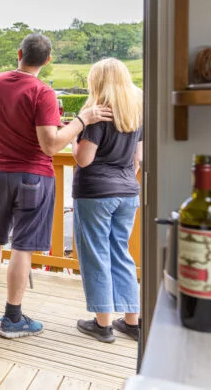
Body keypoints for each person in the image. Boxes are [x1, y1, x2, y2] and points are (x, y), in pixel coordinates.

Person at [0, 32, 113, 339]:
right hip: (32, 177)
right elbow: (50, 145)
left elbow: (7, 120)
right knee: (23, 246)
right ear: (48, 60)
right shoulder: (42, 92)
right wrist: (82, 120)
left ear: (19, 53)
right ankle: (12, 318)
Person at [71, 58, 143, 343]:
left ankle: (102, 324)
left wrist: (73, 139)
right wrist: (122, 179)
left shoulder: (97, 114)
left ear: (97, 81)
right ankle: (132, 322)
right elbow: (138, 159)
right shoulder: (134, 113)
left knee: (96, 255)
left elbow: (84, 159)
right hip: (128, 192)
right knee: (121, 252)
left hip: (95, 193)